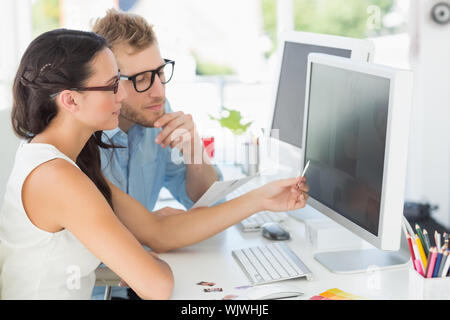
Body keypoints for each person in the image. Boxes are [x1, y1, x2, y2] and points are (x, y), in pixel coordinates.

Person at [0, 29, 309, 300]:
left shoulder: (69, 159)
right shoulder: (58, 177)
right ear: (70, 100)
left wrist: (261, 198)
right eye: (111, 86)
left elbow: (158, 230)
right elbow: (157, 285)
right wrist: (140, 260)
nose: (122, 95)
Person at [92, 9, 222, 212]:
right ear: (109, 82)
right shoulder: (81, 137)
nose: (159, 92)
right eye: (141, 79)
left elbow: (209, 204)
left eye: (160, 72)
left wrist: (195, 153)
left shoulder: (157, 115)